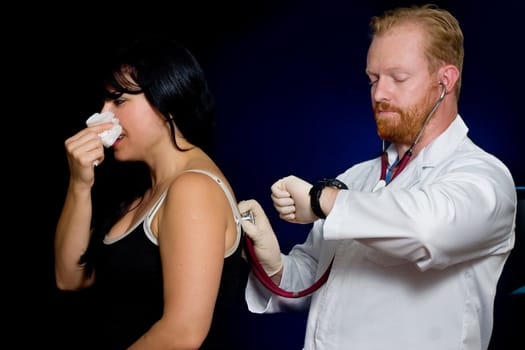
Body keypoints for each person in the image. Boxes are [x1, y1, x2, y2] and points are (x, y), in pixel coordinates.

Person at [238, 4, 517, 350]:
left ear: (445, 81)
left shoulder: (485, 180)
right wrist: (274, 263)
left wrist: (319, 199)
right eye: (373, 79)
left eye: (398, 78)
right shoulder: (357, 178)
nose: (379, 94)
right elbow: (321, 282)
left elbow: (426, 229)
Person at [54, 38, 247, 349]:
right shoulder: (144, 191)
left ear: (166, 101)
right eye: (104, 102)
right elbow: (70, 276)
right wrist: (79, 183)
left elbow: (182, 333)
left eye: (118, 101)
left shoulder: (193, 189)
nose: (102, 117)